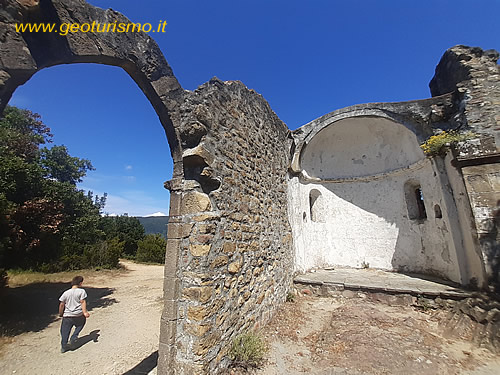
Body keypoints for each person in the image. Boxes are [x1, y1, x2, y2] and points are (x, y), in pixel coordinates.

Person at [58, 275, 90, 353]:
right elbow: (82, 301)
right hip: (78, 314)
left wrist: (61, 313)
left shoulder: (66, 293)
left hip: (67, 315)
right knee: (81, 324)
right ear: (80, 283)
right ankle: (74, 337)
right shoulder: (81, 291)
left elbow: (62, 304)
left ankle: (64, 346)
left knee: (64, 331)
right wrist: (85, 312)